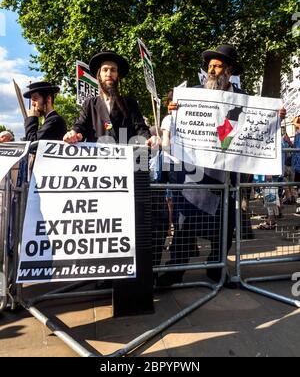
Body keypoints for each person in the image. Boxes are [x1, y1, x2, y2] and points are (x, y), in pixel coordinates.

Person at [158, 44, 286, 287]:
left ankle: (216, 269)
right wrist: (173, 111)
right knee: (186, 228)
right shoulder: (193, 95)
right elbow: (178, 125)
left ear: (229, 70)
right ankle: (175, 270)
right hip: (195, 174)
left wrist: (275, 117)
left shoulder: (243, 98)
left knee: (225, 226)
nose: (212, 71)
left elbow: (258, 127)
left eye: (217, 66)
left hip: (226, 175)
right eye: (209, 67)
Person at [63, 51, 154, 146]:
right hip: (97, 159)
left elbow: (140, 128)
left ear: (118, 75)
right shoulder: (89, 104)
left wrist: (149, 139)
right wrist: (73, 133)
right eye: (105, 69)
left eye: (113, 70)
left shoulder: (130, 103)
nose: (109, 74)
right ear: (99, 75)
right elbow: (80, 126)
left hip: (122, 159)